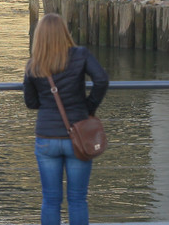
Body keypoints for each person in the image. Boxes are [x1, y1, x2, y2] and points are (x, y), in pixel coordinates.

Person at [23, 13, 109, 225]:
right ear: (64, 32)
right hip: (77, 135)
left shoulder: (33, 64)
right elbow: (101, 79)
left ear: (39, 37)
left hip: (46, 138)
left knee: (51, 200)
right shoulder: (81, 55)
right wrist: (88, 107)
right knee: (78, 199)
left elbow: (31, 103)